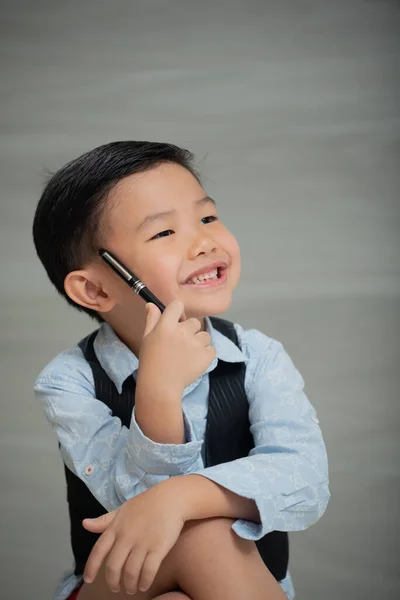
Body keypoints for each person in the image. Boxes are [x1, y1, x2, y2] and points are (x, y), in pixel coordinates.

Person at [33, 141, 330, 600]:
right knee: (201, 535)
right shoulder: (69, 381)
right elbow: (136, 514)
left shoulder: (258, 357)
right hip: (119, 586)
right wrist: (158, 391)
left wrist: (183, 496)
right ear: (94, 288)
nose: (204, 241)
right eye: (164, 234)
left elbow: (305, 479)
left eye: (207, 218)